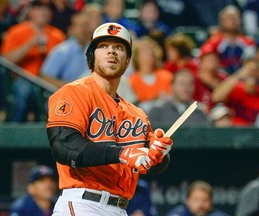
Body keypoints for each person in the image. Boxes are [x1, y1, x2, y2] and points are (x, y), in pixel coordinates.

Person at [46, 22, 174, 216]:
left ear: (128, 60)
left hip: (120, 208)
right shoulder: (74, 92)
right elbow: (64, 146)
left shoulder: (136, 114)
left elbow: (150, 160)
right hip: (83, 203)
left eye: (119, 47)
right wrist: (123, 154)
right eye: (103, 46)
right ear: (91, 56)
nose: (111, 52)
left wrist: (159, 154)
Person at [0, 0, 65, 122]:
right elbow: (5, 61)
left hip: (48, 81)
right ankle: (14, 130)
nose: (44, 12)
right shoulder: (16, 31)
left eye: (47, 9)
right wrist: (30, 44)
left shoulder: (57, 35)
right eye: (39, 8)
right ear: (30, 11)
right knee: (24, 88)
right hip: (23, 78)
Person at [211, 58, 259, 126]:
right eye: (248, 69)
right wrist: (239, 75)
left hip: (256, 133)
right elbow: (216, 97)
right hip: (235, 131)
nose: (251, 72)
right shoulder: (235, 90)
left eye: (255, 70)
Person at [41, 12, 92, 88]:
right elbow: (46, 79)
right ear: (71, 30)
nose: (84, 30)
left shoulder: (94, 51)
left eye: (86, 26)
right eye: (81, 26)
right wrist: (74, 87)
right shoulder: (62, 51)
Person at [200, 5, 255, 75]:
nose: (234, 21)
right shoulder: (213, 43)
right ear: (222, 21)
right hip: (222, 81)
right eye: (230, 18)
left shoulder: (248, 43)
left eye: (236, 18)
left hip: (245, 81)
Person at [128, 36, 173, 113]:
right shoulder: (131, 81)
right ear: (137, 56)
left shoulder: (167, 77)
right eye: (145, 51)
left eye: (152, 50)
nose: (150, 53)